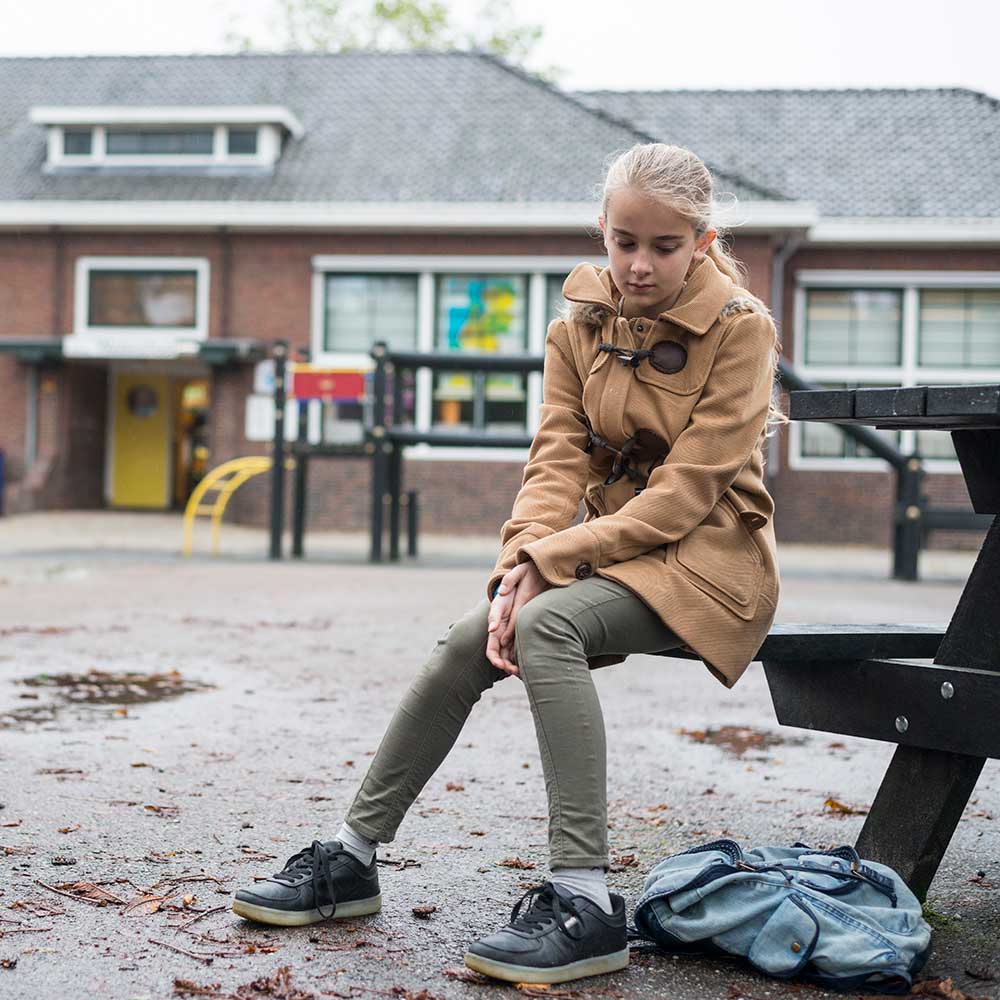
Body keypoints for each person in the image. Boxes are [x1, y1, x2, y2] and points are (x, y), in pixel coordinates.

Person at [232, 142, 784, 986]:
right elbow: (555, 462)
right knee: (472, 637)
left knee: (547, 626)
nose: (639, 264)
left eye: (664, 247)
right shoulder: (578, 327)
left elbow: (685, 496)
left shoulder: (742, 330)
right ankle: (351, 858)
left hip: (710, 562)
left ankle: (585, 902)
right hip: (613, 552)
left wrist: (551, 562)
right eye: (624, 241)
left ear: (702, 243)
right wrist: (517, 566)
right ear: (603, 231)